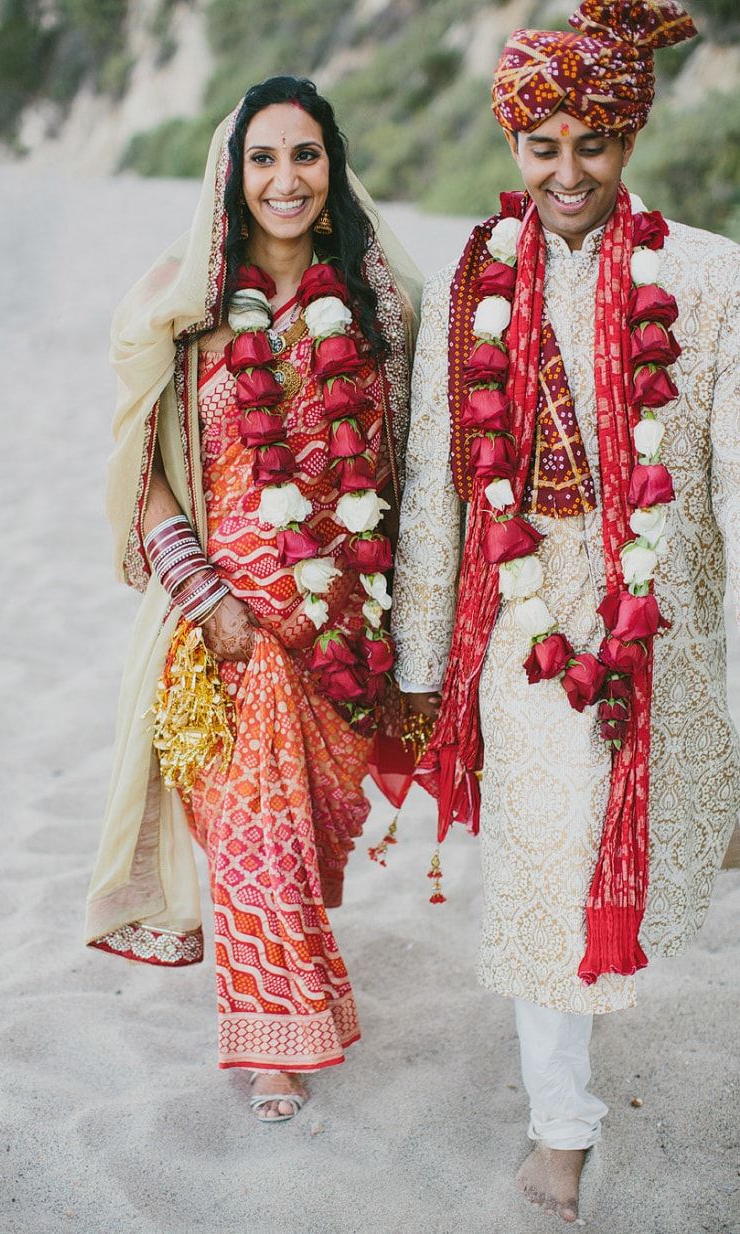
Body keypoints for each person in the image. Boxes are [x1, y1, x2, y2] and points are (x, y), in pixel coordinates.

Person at [392, 0, 739, 1220]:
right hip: (523, 623)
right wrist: (423, 659)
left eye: (592, 140)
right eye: (542, 144)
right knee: (545, 860)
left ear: (629, 136)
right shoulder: (473, 280)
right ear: (513, 147)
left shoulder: (705, 276)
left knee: (646, 856)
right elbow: (438, 476)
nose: (567, 171)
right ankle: (561, 1126)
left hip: (662, 622)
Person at [86, 76, 422, 1122]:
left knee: (309, 840)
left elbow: (416, 470)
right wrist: (203, 592)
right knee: (255, 838)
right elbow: (137, 469)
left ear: (333, 170)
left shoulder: (381, 302)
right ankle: (276, 1045)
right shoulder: (177, 300)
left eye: (305, 155)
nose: (285, 178)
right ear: (230, 173)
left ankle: (288, 969)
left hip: (342, 627)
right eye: (263, 157)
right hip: (223, 630)